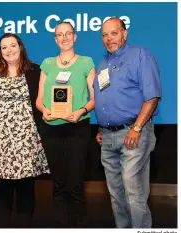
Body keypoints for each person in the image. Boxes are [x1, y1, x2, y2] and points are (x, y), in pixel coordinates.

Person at [94, 17, 162, 228]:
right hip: (108, 137)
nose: (108, 38)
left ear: (125, 34)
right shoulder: (103, 63)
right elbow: (107, 98)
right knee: (116, 193)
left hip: (134, 133)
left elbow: (152, 96)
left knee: (133, 190)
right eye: (104, 35)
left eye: (113, 33)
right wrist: (101, 126)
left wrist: (137, 127)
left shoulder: (140, 55)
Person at [0, 33, 50, 227]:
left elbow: (43, 100)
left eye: (13, 46)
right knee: (1, 189)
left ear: (20, 47)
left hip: (25, 139)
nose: (9, 50)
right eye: (4, 47)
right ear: (0, 51)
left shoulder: (34, 70)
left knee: (26, 188)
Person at [36, 22, 96, 227]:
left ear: (75, 36)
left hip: (77, 128)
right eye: (59, 34)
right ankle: (61, 226)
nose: (64, 38)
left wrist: (81, 111)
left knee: (75, 184)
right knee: (59, 184)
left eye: (68, 33)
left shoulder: (86, 62)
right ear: (55, 39)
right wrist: (45, 111)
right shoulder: (47, 63)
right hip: (51, 128)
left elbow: (95, 99)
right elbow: (39, 100)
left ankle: (78, 227)